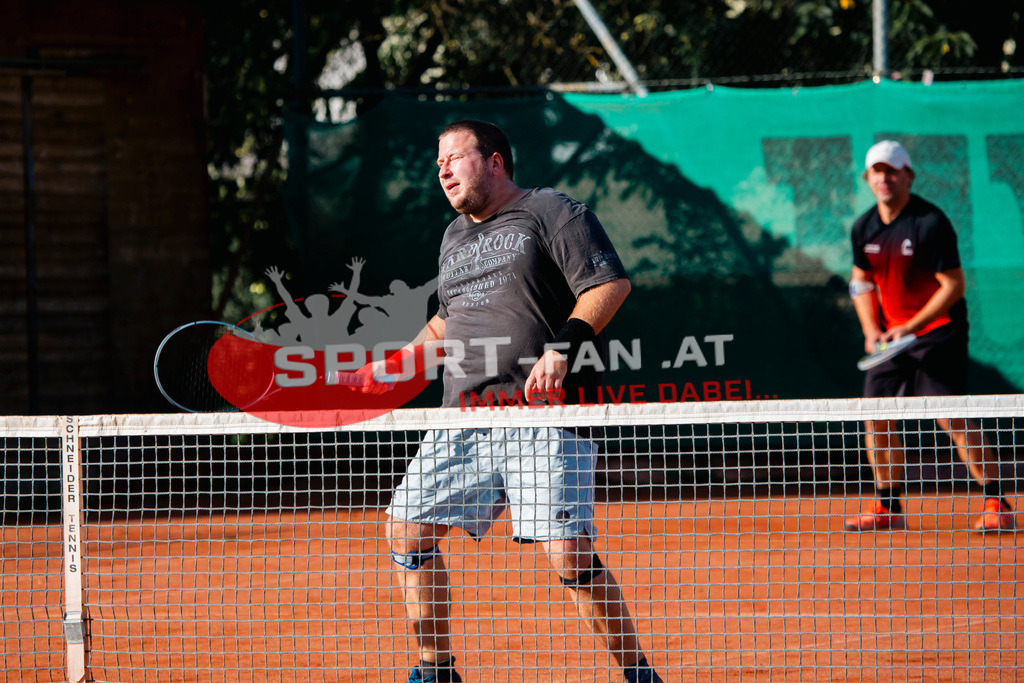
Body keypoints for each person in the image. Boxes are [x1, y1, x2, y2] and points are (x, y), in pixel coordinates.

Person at [376, 120, 663, 683]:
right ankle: (436, 671)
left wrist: (564, 348)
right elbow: (446, 321)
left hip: (544, 416)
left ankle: (638, 675)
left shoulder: (552, 211)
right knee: (407, 528)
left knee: (568, 553)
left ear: (495, 162)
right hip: (464, 415)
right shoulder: (454, 237)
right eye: (438, 164)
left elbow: (608, 285)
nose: (442, 170)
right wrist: (388, 369)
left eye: (454, 158)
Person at [845, 139, 1015, 533]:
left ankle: (997, 503)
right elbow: (861, 283)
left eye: (892, 170)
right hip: (891, 339)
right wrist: (872, 330)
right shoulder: (864, 227)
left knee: (949, 414)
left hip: (938, 332)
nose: (884, 178)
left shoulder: (930, 222)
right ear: (868, 178)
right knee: (877, 419)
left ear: (908, 176)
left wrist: (913, 325)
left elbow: (953, 285)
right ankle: (888, 507)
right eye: (877, 171)